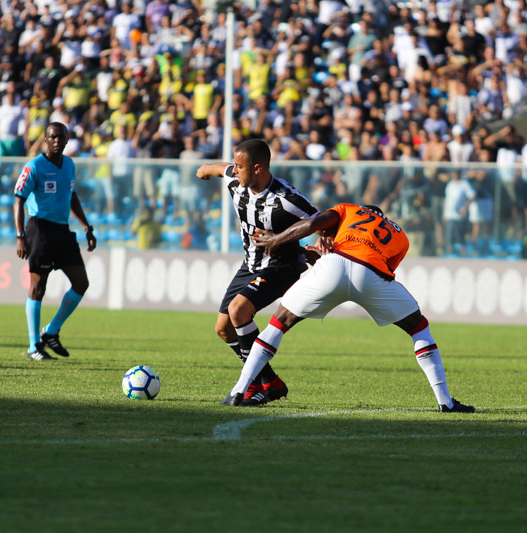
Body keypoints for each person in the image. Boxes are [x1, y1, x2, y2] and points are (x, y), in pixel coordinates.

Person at [225, 204, 475, 413]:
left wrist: (278, 240)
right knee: (419, 328)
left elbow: (315, 224)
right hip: (371, 274)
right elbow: (375, 264)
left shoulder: (350, 209)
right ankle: (445, 402)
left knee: (278, 324)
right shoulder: (401, 236)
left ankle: (238, 391)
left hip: (333, 266)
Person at [196, 139, 320, 405]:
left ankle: (253, 385)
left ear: (258, 168)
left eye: (240, 167)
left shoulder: (286, 199)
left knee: (239, 310)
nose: (234, 170)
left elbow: (320, 221)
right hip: (250, 265)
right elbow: (221, 169)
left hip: (282, 266)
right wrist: (205, 168)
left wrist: (317, 244)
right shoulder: (237, 181)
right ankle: (269, 382)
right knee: (223, 329)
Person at [14, 122, 96, 361]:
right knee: (38, 287)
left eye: (61, 137)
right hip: (39, 229)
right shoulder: (34, 167)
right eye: (52, 137)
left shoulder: (69, 164)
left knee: (81, 282)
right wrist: (21, 236)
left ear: (67, 139)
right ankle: (33, 346)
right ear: (45, 140)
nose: (57, 140)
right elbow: (18, 199)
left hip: (62, 230)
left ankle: (51, 331)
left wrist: (86, 227)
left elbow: (72, 196)